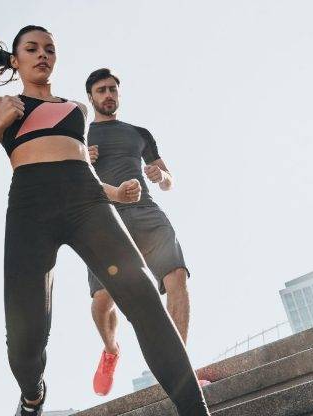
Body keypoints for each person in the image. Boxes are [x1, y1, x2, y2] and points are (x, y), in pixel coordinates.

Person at [0, 25, 210, 416]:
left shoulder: (77, 108)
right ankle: (32, 396)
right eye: (32, 48)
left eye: (49, 49)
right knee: (25, 339)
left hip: (87, 203)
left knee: (144, 297)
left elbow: (81, 167)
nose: (42, 54)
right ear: (15, 60)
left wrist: (115, 194)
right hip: (30, 209)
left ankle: (195, 410)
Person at [84, 68, 209, 396]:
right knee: (102, 301)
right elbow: (68, 180)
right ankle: (111, 349)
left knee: (177, 277)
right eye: (101, 90)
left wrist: (161, 176)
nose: (108, 94)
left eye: (112, 89)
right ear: (91, 97)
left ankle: (179, 372)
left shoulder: (139, 133)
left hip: (147, 213)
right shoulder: (80, 137)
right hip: (105, 220)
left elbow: (169, 179)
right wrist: (84, 160)